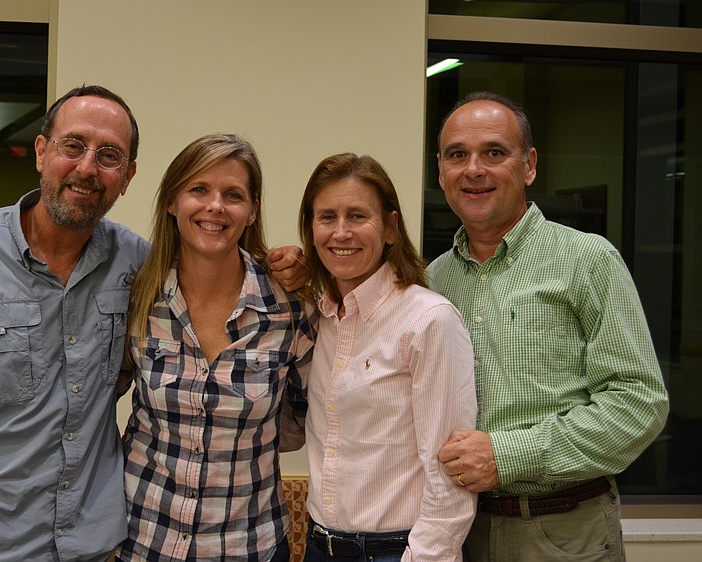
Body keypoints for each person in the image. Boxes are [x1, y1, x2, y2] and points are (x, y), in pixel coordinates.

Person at [0, 86, 307, 562]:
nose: (88, 168)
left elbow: (213, 258)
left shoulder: (137, 267)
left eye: (109, 156)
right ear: (42, 151)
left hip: (92, 546)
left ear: (127, 177)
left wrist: (288, 265)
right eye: (73, 146)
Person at [430, 91, 670, 562]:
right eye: (458, 155)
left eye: (494, 153)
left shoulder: (586, 260)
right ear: (441, 172)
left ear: (529, 165)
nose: (474, 169)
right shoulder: (432, 280)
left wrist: (509, 454)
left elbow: (638, 403)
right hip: (457, 531)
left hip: (562, 531)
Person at [115, 133, 316, 562]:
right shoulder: (138, 300)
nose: (215, 207)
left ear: (252, 211)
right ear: (172, 201)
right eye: (198, 190)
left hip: (251, 544)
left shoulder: (291, 308)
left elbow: (302, 421)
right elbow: (95, 399)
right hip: (143, 539)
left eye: (233, 195)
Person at [298, 153, 477, 562]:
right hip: (319, 545)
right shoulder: (319, 316)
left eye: (358, 216)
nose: (340, 232)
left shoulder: (428, 320)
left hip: (394, 551)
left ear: (391, 228)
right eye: (326, 217)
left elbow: (449, 474)